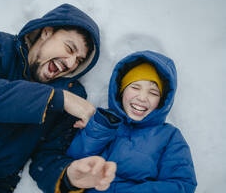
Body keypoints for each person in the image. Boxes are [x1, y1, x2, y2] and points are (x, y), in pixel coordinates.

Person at [0, 4, 116, 193]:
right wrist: (58, 99)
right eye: (69, 48)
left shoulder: (73, 94)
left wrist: (69, 176)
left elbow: (46, 159)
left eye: (79, 60)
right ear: (47, 32)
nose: (71, 63)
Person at [66, 50, 198, 192]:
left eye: (153, 93)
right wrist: (98, 130)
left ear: (161, 101)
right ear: (121, 91)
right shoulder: (103, 122)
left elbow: (182, 184)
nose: (142, 97)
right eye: (135, 87)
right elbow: (73, 166)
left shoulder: (169, 137)